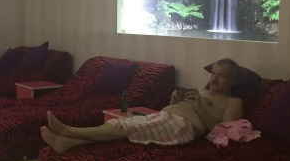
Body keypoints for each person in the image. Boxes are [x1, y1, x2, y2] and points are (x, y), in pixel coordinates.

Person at [41, 58, 244, 153]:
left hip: (182, 127)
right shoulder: (202, 90)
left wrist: (198, 106)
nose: (214, 79)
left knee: (123, 128)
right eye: (213, 74)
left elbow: (222, 131)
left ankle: (68, 131)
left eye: (221, 76)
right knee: (121, 127)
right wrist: (174, 101)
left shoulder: (232, 102)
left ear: (232, 81)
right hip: (165, 117)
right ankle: (67, 142)